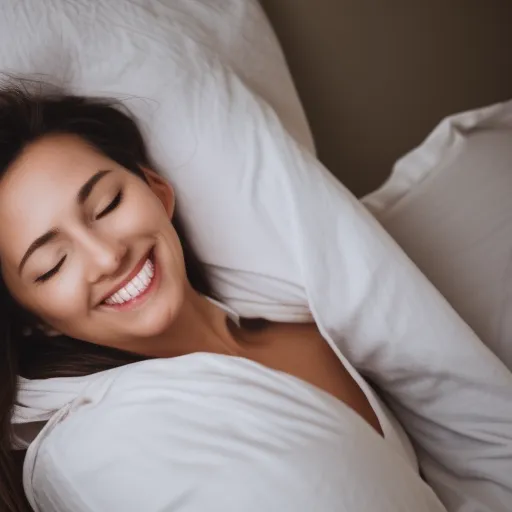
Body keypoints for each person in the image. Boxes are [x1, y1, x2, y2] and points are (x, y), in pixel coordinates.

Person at [0, 84, 431, 512]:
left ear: (157, 189)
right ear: (37, 321)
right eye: (53, 265)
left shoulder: (314, 324)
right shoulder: (106, 443)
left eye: (108, 204)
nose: (108, 256)